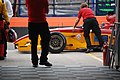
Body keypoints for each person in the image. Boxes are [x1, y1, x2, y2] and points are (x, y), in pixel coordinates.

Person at [25, 0, 52, 67]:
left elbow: (27, 6)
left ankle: (34, 61)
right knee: (46, 40)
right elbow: (47, 11)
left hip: (31, 23)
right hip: (42, 22)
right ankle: (43, 59)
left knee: (34, 42)